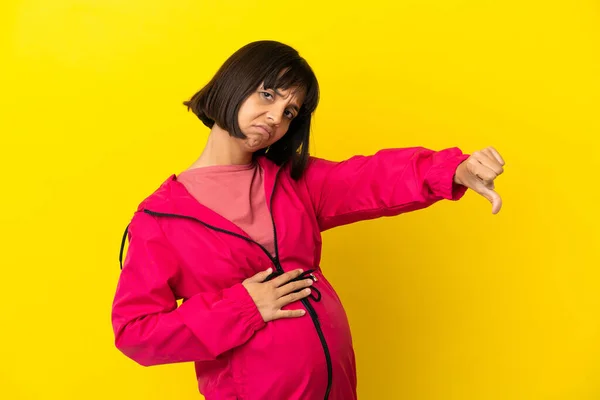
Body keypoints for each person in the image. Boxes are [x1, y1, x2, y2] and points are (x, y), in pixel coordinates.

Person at [111, 40, 505, 400]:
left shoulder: (293, 180)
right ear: (232, 84)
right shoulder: (161, 219)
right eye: (267, 94)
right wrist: (243, 306)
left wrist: (453, 170)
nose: (274, 118)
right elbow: (136, 333)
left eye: (289, 111)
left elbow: (372, 177)